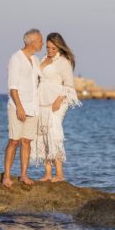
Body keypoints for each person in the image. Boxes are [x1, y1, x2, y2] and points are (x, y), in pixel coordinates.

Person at [31, 32, 82, 182]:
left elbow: (69, 86)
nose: (50, 51)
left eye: (53, 48)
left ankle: (59, 174)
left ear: (59, 46)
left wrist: (58, 100)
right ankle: (47, 173)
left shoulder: (64, 61)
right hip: (41, 100)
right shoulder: (42, 59)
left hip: (57, 101)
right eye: (48, 47)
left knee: (54, 134)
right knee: (42, 134)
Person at [2, 29, 43, 188]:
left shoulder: (36, 59)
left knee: (27, 142)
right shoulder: (16, 58)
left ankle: (23, 175)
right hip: (18, 106)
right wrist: (19, 107)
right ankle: (6, 175)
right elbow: (12, 87)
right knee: (14, 141)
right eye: (40, 40)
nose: (42, 44)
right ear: (32, 41)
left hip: (33, 107)